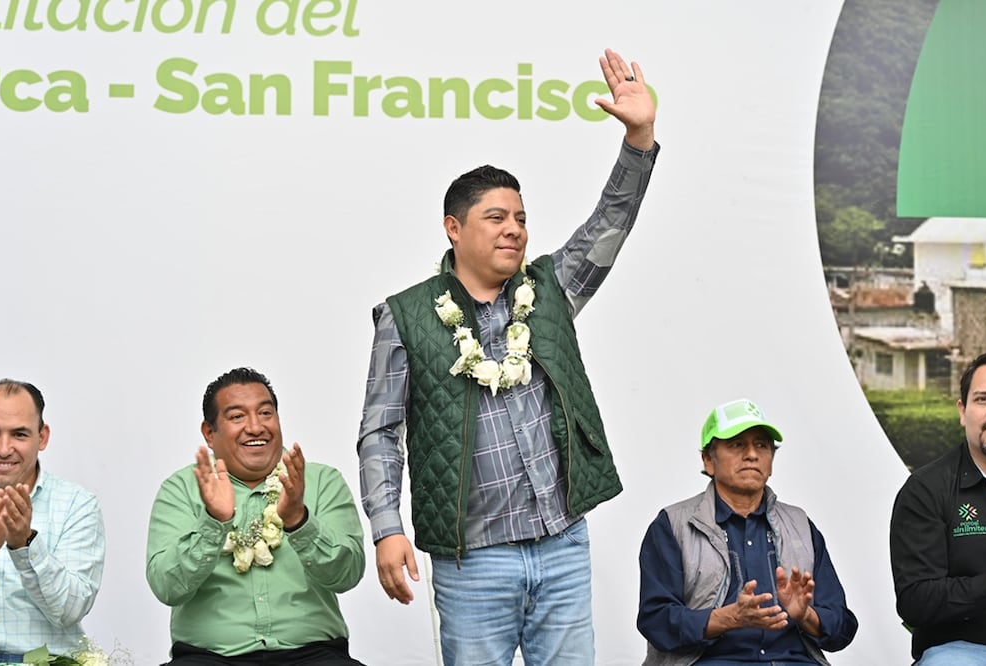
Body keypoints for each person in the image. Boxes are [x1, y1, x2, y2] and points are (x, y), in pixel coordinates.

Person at [356, 48, 658, 665]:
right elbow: (380, 433)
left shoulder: (549, 290)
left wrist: (639, 138)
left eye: (520, 218)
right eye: (495, 217)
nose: (514, 229)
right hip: (473, 563)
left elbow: (610, 224)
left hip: (562, 545)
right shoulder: (406, 315)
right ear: (453, 228)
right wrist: (387, 528)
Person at [146, 367, 366, 666]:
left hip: (313, 654)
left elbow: (347, 574)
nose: (255, 427)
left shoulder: (321, 481)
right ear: (210, 433)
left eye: (265, 413)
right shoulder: (182, 488)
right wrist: (214, 521)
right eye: (237, 417)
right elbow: (167, 587)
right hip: (209, 658)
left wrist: (299, 520)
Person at [637, 398, 858, 665]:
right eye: (737, 444)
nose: (752, 454)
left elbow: (842, 627)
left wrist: (805, 616)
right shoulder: (673, 525)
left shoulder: (800, 525)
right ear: (709, 460)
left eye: (761, 445)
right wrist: (728, 618)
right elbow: (656, 620)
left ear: (771, 461)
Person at [890, 350, 986, 664]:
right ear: (963, 411)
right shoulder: (926, 490)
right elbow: (915, 601)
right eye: (983, 399)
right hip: (967, 653)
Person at [0, 379, 105, 664]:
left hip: (45, 661)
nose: (3, 448)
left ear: (43, 437)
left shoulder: (78, 503)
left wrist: (25, 546)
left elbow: (69, 611)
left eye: (19, 435)